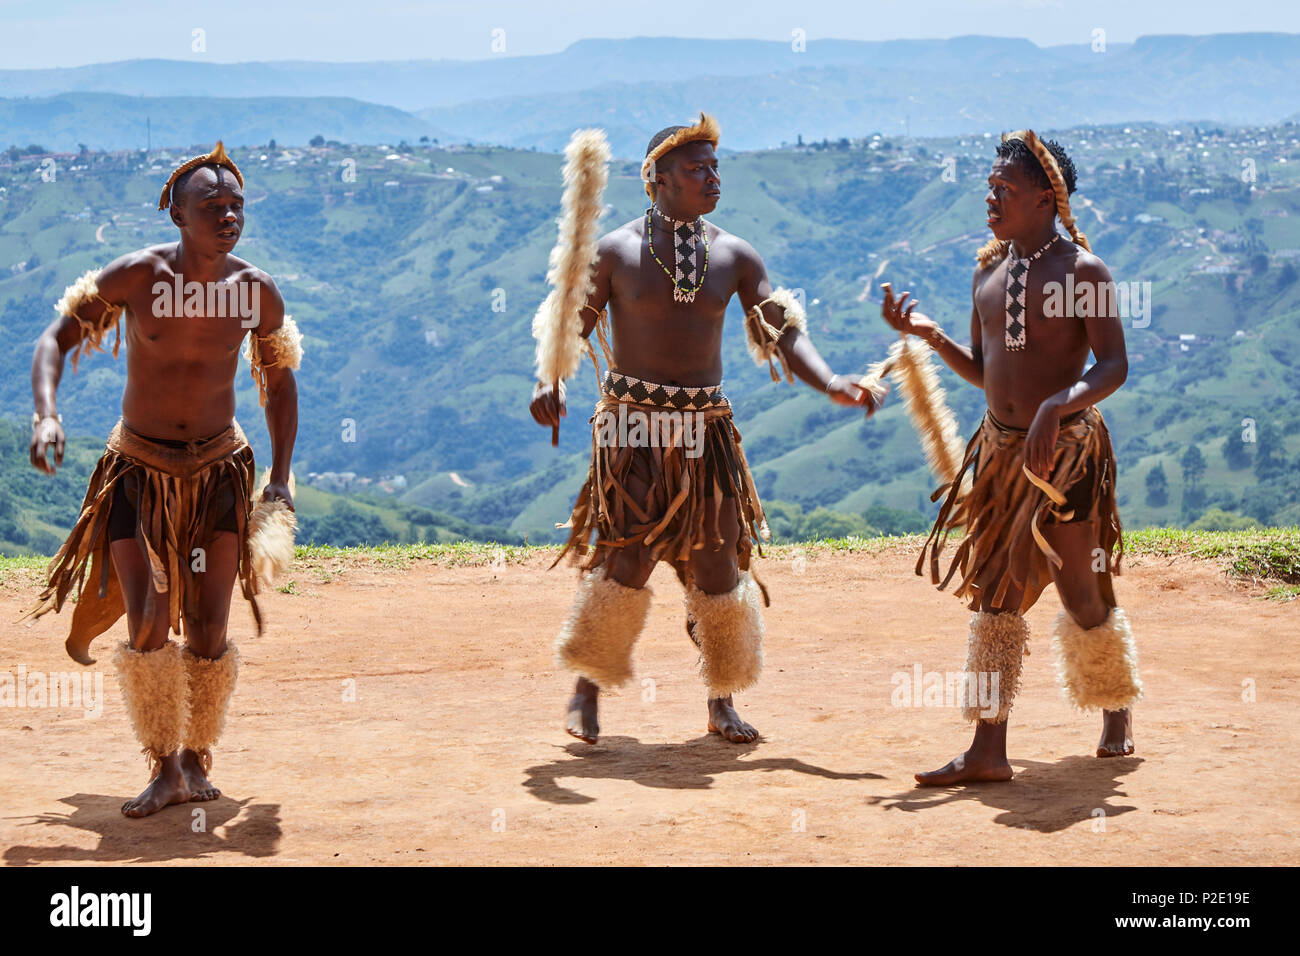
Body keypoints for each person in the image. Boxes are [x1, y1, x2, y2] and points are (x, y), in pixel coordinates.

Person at [530, 113, 880, 745]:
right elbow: (570, 329)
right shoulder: (613, 251)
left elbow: (783, 331)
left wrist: (829, 382)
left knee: (716, 568)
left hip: (706, 435)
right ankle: (586, 689)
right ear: (658, 180)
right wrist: (548, 382)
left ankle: (721, 699)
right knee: (624, 557)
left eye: (716, 167)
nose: (713, 178)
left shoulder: (734, 255)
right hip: (631, 432)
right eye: (697, 169)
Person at [25, 142, 301, 816]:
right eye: (213, 206)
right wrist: (46, 415)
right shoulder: (137, 277)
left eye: (236, 205)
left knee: (209, 628)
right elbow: (54, 340)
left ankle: (199, 757)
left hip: (218, 473)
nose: (228, 215)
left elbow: (279, 380)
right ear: (177, 215)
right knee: (148, 617)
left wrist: (282, 476)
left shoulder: (255, 290)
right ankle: (165, 765)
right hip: (138, 473)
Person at [879, 129, 1140, 786]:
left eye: (1006, 189)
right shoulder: (987, 271)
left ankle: (1113, 703)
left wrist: (1056, 407)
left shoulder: (1085, 272)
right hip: (1000, 455)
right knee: (996, 594)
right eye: (989, 188)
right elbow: (984, 370)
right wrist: (928, 336)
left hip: (1067, 456)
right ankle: (987, 749)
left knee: (1081, 591)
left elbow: (1113, 365)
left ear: (1047, 198)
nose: (991, 198)